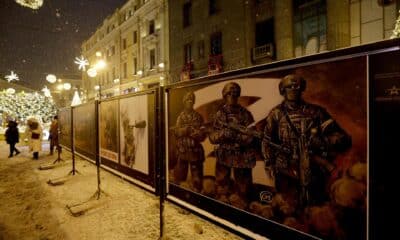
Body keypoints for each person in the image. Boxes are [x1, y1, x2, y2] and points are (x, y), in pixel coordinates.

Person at [262, 74, 352, 210]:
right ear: (282, 90)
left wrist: (321, 142)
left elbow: (343, 139)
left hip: (313, 169)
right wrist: (269, 163)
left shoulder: (316, 112)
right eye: (289, 87)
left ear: (302, 88)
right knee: (287, 208)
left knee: (315, 209)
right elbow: (267, 141)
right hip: (286, 170)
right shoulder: (276, 114)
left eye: (296, 86)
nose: (293, 89)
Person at [209, 82, 256, 209]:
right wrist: (224, 133)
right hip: (224, 154)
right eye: (229, 93)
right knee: (222, 186)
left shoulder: (245, 114)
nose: (232, 96)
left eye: (234, 94)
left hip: (241, 155)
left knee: (243, 189)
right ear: (224, 95)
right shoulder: (220, 115)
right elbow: (212, 137)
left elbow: (252, 135)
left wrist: (238, 137)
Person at [172, 91, 206, 192]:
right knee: (180, 174)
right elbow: (177, 131)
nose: (190, 102)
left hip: (195, 151)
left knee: (197, 177)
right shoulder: (181, 117)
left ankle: (197, 191)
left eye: (191, 100)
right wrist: (185, 130)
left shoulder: (198, 117)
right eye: (188, 100)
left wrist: (198, 134)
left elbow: (203, 134)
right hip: (183, 150)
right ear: (184, 102)